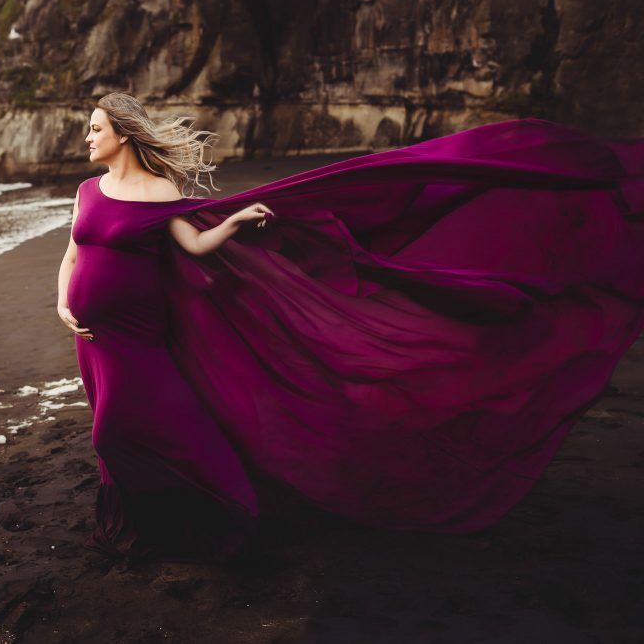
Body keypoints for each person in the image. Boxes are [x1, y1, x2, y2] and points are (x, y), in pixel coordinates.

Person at [56, 92, 644, 560]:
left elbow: (196, 244)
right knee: (113, 434)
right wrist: (63, 304)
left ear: (123, 134)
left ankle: (228, 509)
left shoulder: (161, 192)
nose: (87, 137)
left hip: (139, 332)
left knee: (122, 428)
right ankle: (131, 525)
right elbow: (73, 256)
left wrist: (233, 220)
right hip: (94, 336)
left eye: (94, 127)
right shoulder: (87, 192)